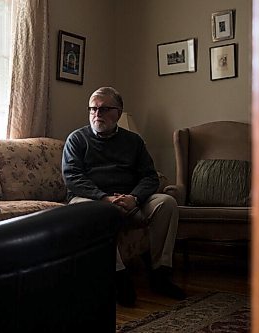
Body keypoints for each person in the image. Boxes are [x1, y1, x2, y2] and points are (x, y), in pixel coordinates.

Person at [62, 86, 186, 307]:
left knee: (167, 203)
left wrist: (135, 198)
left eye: (103, 109)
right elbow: (73, 177)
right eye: (92, 109)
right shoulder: (77, 140)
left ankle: (160, 273)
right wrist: (104, 198)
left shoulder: (134, 141)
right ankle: (119, 278)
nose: (96, 114)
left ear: (118, 112)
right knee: (97, 213)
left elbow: (150, 176)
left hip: (130, 198)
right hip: (90, 200)